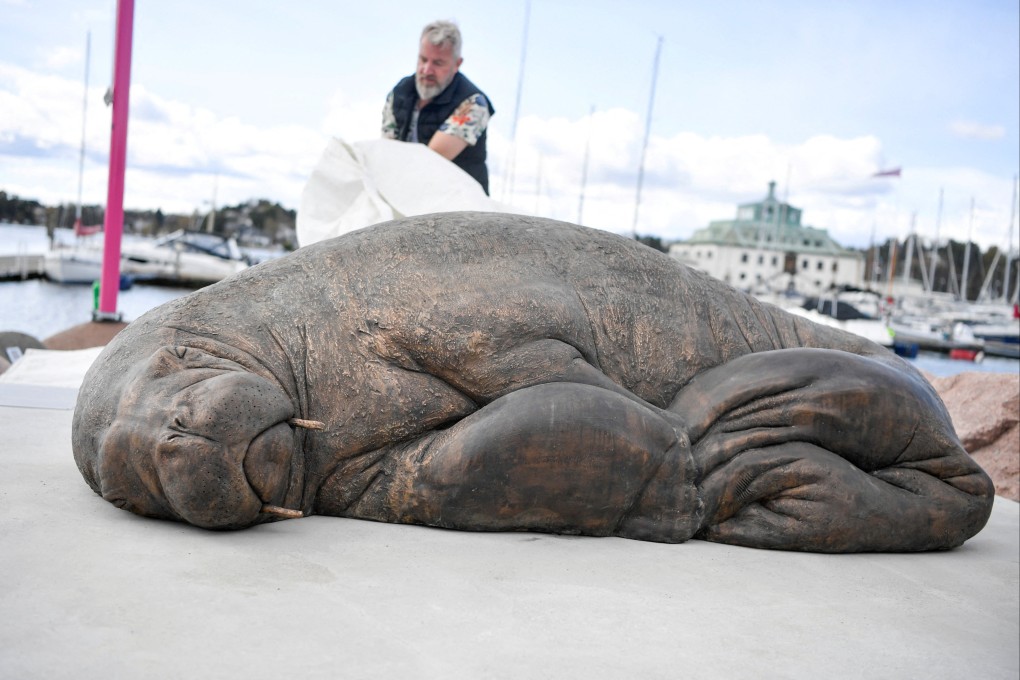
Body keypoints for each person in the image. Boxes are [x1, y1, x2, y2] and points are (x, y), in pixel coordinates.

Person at [382, 20, 495, 194]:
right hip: (405, 194)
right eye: (423, 59)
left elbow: (432, 161)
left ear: (457, 64)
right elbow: (387, 152)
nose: (427, 70)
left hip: (461, 205)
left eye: (438, 63)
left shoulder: (474, 103)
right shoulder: (399, 93)